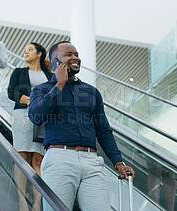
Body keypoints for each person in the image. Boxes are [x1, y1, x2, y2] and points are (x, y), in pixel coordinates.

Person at [28, 41, 135, 210]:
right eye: (69, 55)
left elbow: (103, 130)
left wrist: (118, 162)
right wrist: (59, 84)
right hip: (59, 159)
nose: (75, 58)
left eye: (76, 54)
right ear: (56, 62)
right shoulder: (42, 90)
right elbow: (35, 116)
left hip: (91, 161)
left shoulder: (91, 92)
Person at [8, 42, 53, 211]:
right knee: (22, 158)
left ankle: (36, 203)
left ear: (40, 53)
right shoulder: (19, 72)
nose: (26, 52)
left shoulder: (50, 76)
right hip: (22, 117)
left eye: (30, 50)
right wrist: (32, 100)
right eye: (25, 50)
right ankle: (21, 201)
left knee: (39, 160)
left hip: (44, 119)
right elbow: (11, 92)